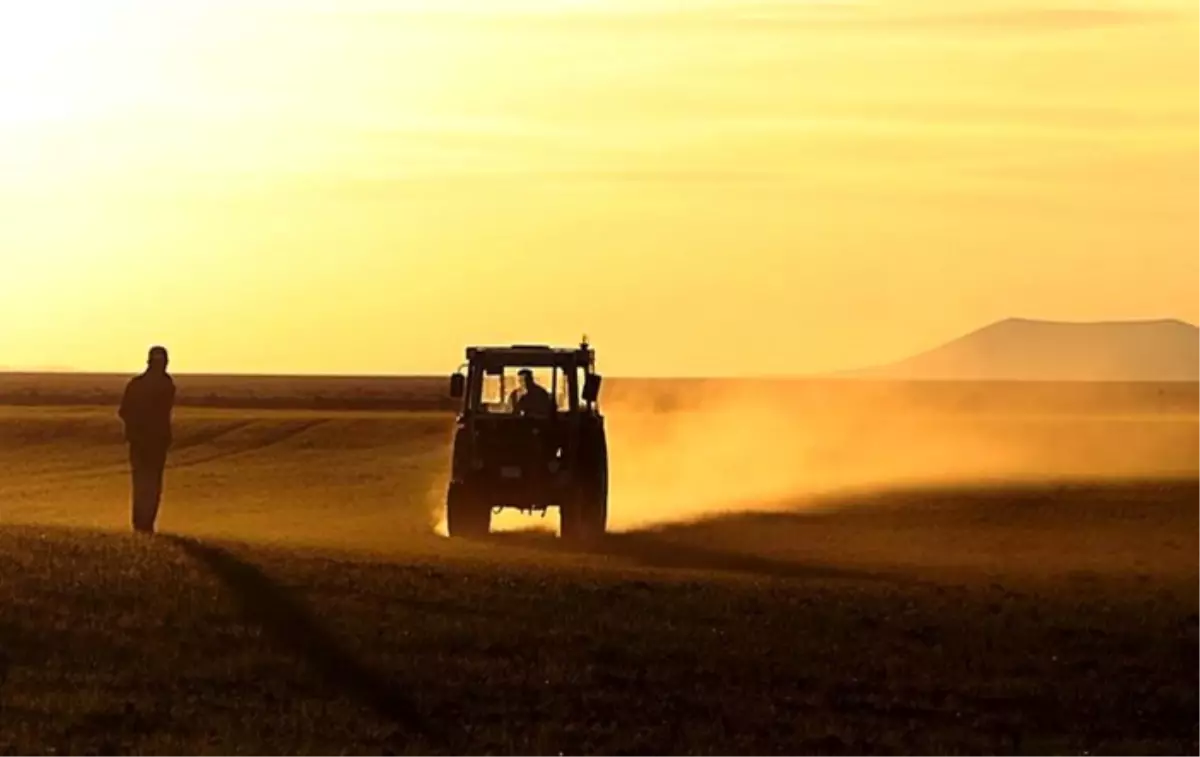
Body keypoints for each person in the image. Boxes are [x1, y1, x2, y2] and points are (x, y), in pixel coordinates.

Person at [118, 346, 176, 533]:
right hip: (149, 442)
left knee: (146, 483)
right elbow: (125, 411)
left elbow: (124, 411)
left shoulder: (140, 384)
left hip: (150, 442)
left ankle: (144, 524)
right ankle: (144, 524)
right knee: (148, 483)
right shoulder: (165, 384)